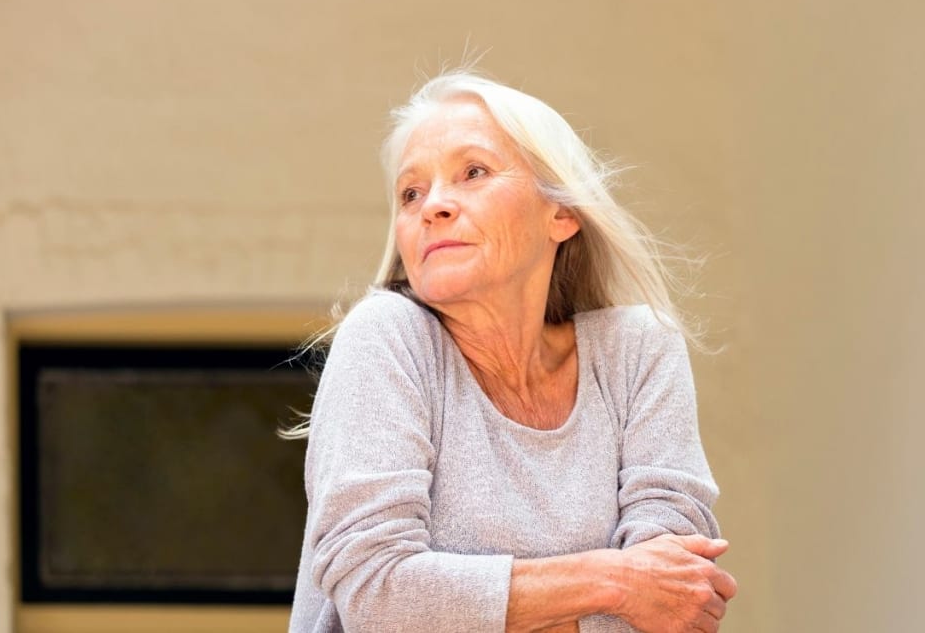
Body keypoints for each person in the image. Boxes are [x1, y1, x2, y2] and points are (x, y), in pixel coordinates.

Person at [286, 70, 737, 632]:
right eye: (411, 193)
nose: (434, 207)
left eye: (472, 172)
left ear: (562, 213)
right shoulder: (385, 339)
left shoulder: (638, 351)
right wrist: (614, 581)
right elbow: (379, 597)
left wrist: (466, 608)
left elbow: (678, 602)